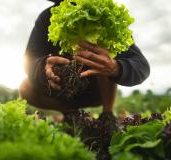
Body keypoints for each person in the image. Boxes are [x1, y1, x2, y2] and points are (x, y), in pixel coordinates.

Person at [19, 0, 150, 114]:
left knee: (104, 57)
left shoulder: (106, 15)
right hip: (60, 91)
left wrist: (116, 68)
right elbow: (29, 60)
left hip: (96, 92)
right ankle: (70, 114)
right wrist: (43, 66)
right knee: (25, 88)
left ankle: (108, 114)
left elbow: (141, 66)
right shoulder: (47, 17)